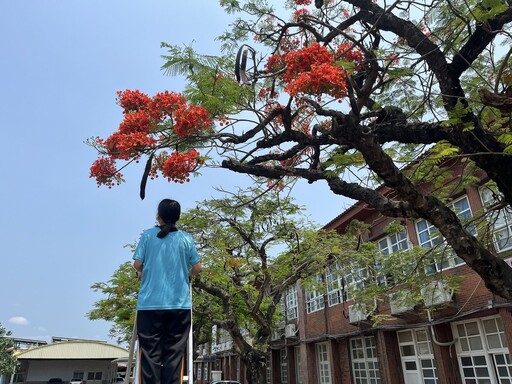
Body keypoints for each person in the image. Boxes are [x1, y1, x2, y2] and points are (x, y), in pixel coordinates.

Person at [133, 198, 202, 384]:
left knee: (150, 355)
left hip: (149, 306)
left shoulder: (148, 236)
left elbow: (137, 264)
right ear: (177, 217)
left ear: (159, 216)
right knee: (174, 355)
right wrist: (188, 275)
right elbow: (197, 268)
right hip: (179, 305)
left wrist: (142, 272)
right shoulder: (186, 239)